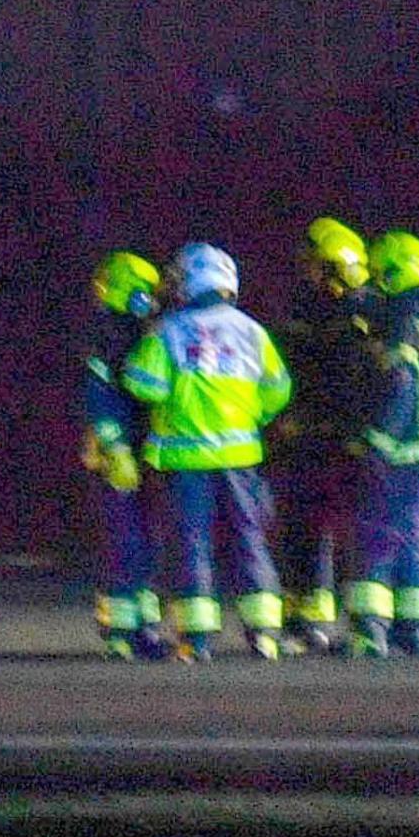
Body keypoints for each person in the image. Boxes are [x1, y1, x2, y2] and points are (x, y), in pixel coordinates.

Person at [123, 242, 295, 660]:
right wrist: (245, 414)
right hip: (240, 460)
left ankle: (197, 638)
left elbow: (145, 385)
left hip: (186, 462)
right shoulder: (253, 331)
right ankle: (264, 633)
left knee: (192, 544)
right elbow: (278, 391)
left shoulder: (169, 331)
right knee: (249, 540)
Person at [270, 216, 384, 653]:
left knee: (354, 531)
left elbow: (359, 381)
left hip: (344, 441)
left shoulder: (364, 316)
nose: (308, 272)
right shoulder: (305, 309)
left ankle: (364, 624)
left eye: (316, 265)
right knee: (302, 528)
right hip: (307, 438)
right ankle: (307, 617)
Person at [348, 230, 419, 658]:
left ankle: (370, 630)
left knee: (376, 536)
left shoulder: (402, 327)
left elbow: (401, 386)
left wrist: (377, 440)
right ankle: (415, 629)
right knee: (414, 540)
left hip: (398, 453)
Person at [82, 250, 171, 659]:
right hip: (125, 450)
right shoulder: (112, 334)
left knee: (140, 540)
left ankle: (140, 626)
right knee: (127, 541)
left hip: (140, 448)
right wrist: (114, 446)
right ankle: (126, 630)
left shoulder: (131, 332)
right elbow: (99, 396)